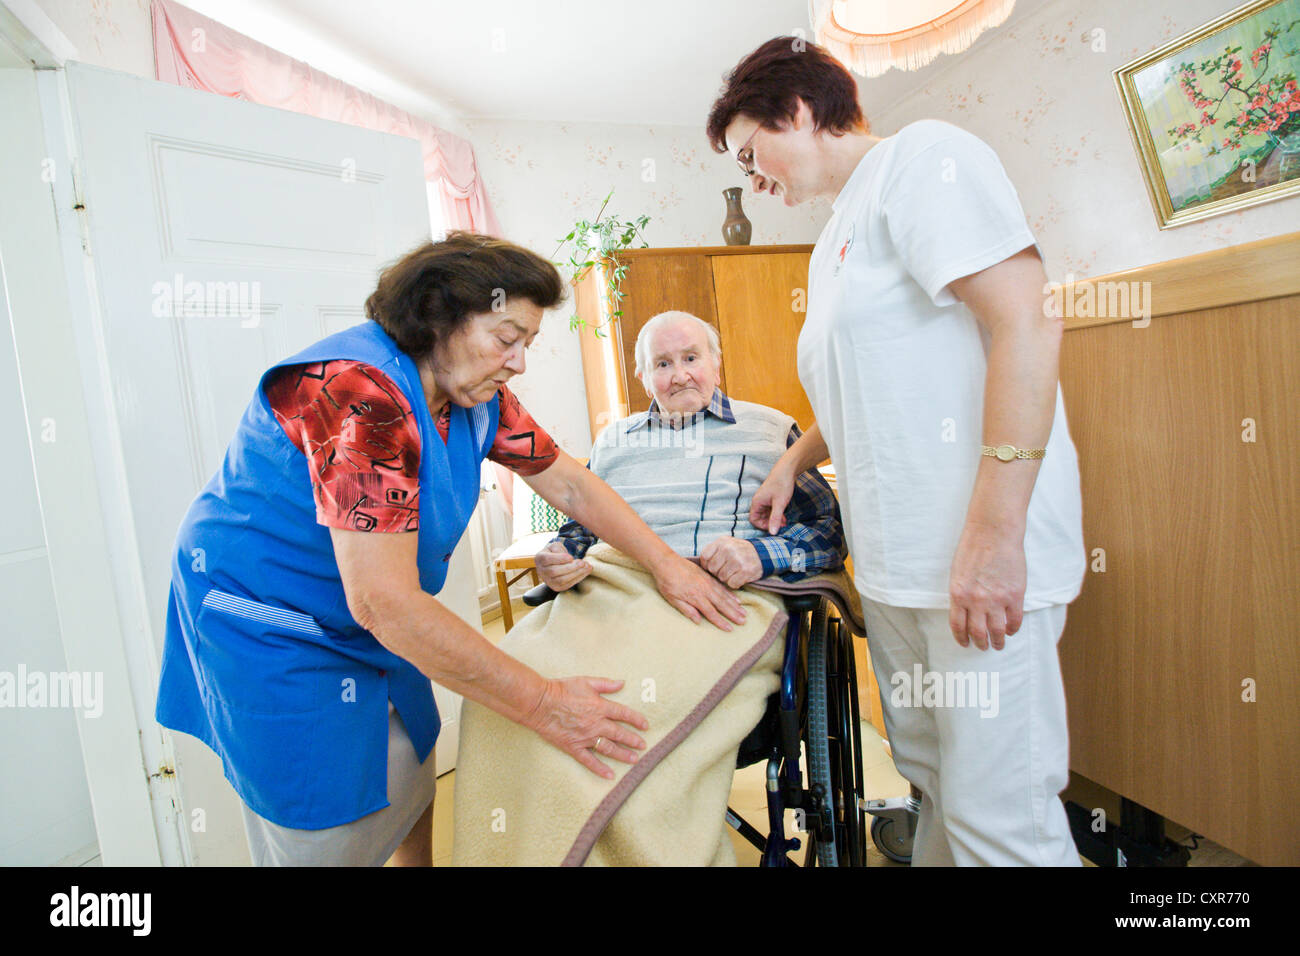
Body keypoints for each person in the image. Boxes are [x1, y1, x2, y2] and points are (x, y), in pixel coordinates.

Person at [154, 233, 747, 867]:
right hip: (272, 616)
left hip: (377, 613)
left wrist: (667, 566)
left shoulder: (477, 396)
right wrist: (546, 705)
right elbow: (384, 604)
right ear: (438, 317)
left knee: (410, 768)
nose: (518, 362)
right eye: (506, 338)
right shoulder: (358, 396)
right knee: (326, 829)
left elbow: (570, 481)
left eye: (527, 344)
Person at [706, 38, 1087, 866]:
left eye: (749, 151)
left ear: (798, 111)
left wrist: (994, 536)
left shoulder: (925, 160)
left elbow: (1024, 321)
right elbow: (865, 385)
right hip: (898, 565)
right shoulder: (836, 234)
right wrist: (793, 460)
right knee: (936, 780)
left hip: (975, 548)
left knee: (1000, 814)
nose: (752, 177)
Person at [534, 310, 845, 594]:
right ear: (644, 380)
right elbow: (582, 528)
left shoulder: (771, 431)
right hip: (614, 592)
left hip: (723, 593)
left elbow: (829, 532)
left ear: (716, 365)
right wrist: (560, 553)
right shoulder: (611, 441)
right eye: (663, 364)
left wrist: (760, 555)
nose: (680, 376)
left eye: (691, 358)